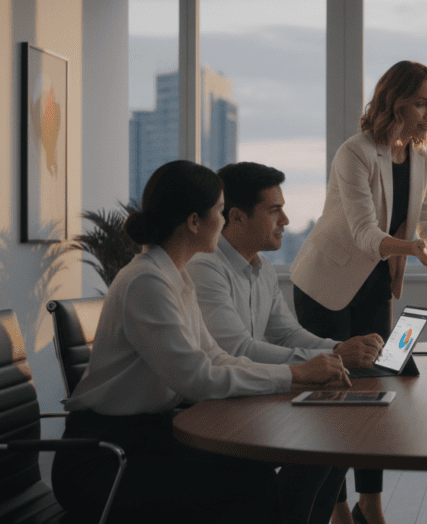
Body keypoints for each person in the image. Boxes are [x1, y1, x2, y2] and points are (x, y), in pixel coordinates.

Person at [52, 160, 351, 524]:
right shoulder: (147, 282)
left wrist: (298, 373)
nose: (225, 222)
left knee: (279, 462)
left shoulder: (173, 276)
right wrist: (294, 375)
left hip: (147, 439)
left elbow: (215, 357)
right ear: (194, 222)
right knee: (248, 482)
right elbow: (196, 378)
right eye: (220, 213)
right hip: (104, 460)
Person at [289, 60, 427, 524]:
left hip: (376, 284)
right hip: (327, 284)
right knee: (334, 396)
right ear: (394, 101)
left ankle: (370, 501)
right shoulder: (354, 153)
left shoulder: (421, 155)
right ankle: (336, 510)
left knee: (377, 394)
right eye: (421, 102)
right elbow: (362, 232)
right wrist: (409, 246)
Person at [188, 161, 386, 524]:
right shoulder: (206, 268)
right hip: (213, 414)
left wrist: (337, 348)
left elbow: (287, 333)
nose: (286, 220)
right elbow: (238, 349)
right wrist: (329, 357)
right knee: (318, 442)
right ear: (238, 217)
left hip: (245, 400)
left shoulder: (260, 267)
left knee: (335, 432)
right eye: (274, 210)